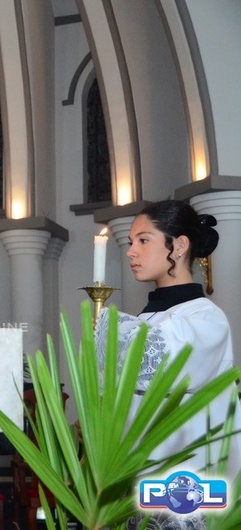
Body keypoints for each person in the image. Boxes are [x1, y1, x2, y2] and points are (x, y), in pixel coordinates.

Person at [94, 200, 240, 523]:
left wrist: (108, 328)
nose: (131, 251)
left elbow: (160, 363)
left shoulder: (205, 318)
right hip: (135, 479)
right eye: (131, 242)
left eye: (144, 240)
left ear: (179, 245)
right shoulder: (146, 319)